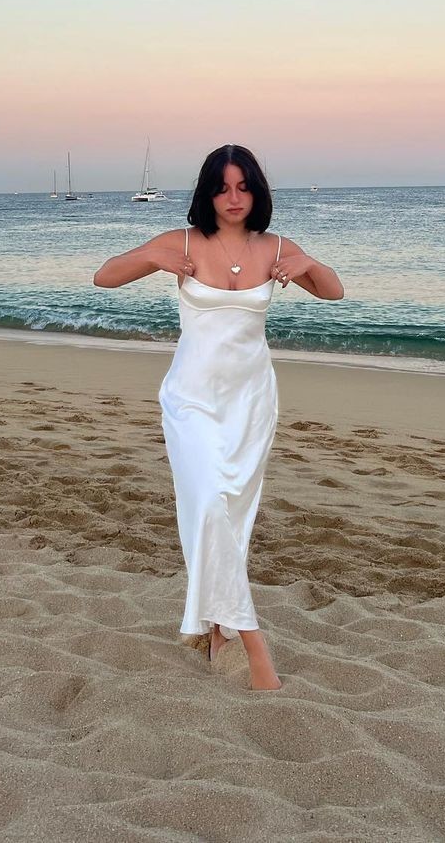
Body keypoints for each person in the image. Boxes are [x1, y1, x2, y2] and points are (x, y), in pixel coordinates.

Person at [93, 144, 344, 691]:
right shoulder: (182, 243)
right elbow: (104, 277)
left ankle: (213, 630)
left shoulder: (276, 247)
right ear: (208, 192)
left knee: (231, 515)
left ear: (258, 192)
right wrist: (153, 259)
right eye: (223, 187)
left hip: (251, 402)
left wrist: (309, 265)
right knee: (208, 504)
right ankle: (253, 643)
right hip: (192, 400)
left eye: (244, 187)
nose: (234, 198)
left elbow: (334, 292)